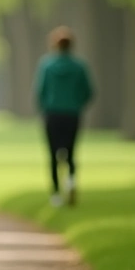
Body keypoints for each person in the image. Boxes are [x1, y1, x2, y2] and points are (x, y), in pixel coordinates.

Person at [33, 27, 93, 208]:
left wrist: (44, 107)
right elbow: (89, 91)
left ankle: (56, 194)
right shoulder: (79, 66)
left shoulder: (46, 65)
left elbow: (40, 91)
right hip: (72, 113)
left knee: (52, 154)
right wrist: (77, 103)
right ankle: (72, 181)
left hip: (52, 114)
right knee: (71, 152)